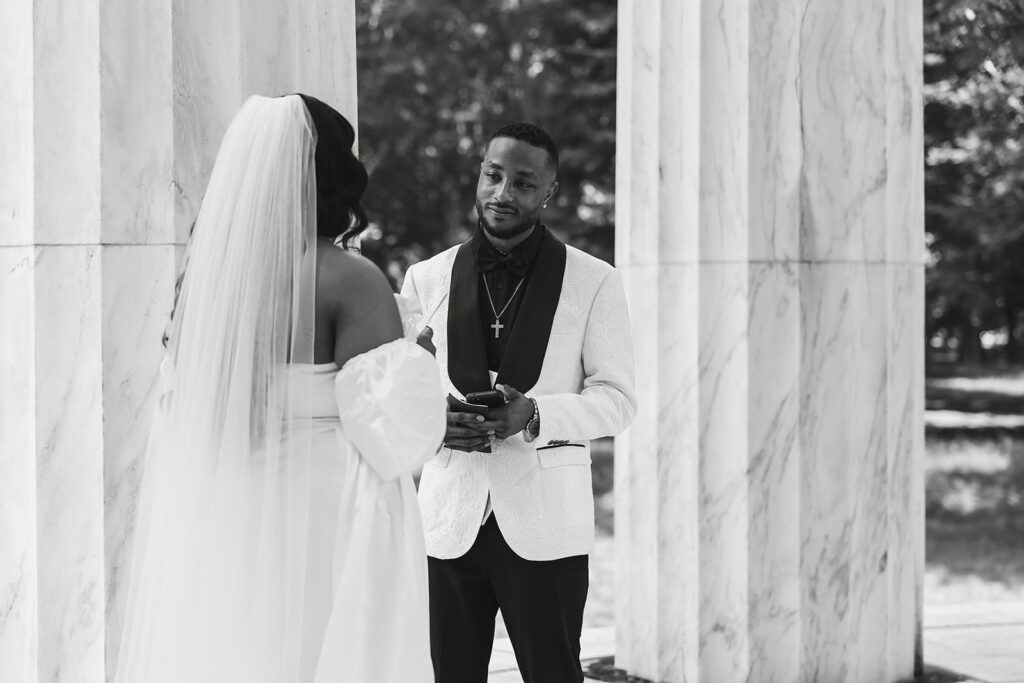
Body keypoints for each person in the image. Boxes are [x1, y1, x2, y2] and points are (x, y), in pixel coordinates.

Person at [115, 94, 445, 683]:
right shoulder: (349, 277)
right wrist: (418, 358)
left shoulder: (206, 283)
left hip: (238, 497)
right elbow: (392, 431)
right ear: (332, 174)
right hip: (332, 503)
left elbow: (182, 401)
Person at [400, 123, 637, 683]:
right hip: (447, 518)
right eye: (493, 176)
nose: (503, 193)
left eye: (524, 183)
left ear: (548, 191)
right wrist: (434, 425)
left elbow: (618, 401)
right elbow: (401, 392)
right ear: (479, 175)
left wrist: (536, 414)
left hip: (547, 518)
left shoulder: (595, 281)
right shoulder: (425, 278)